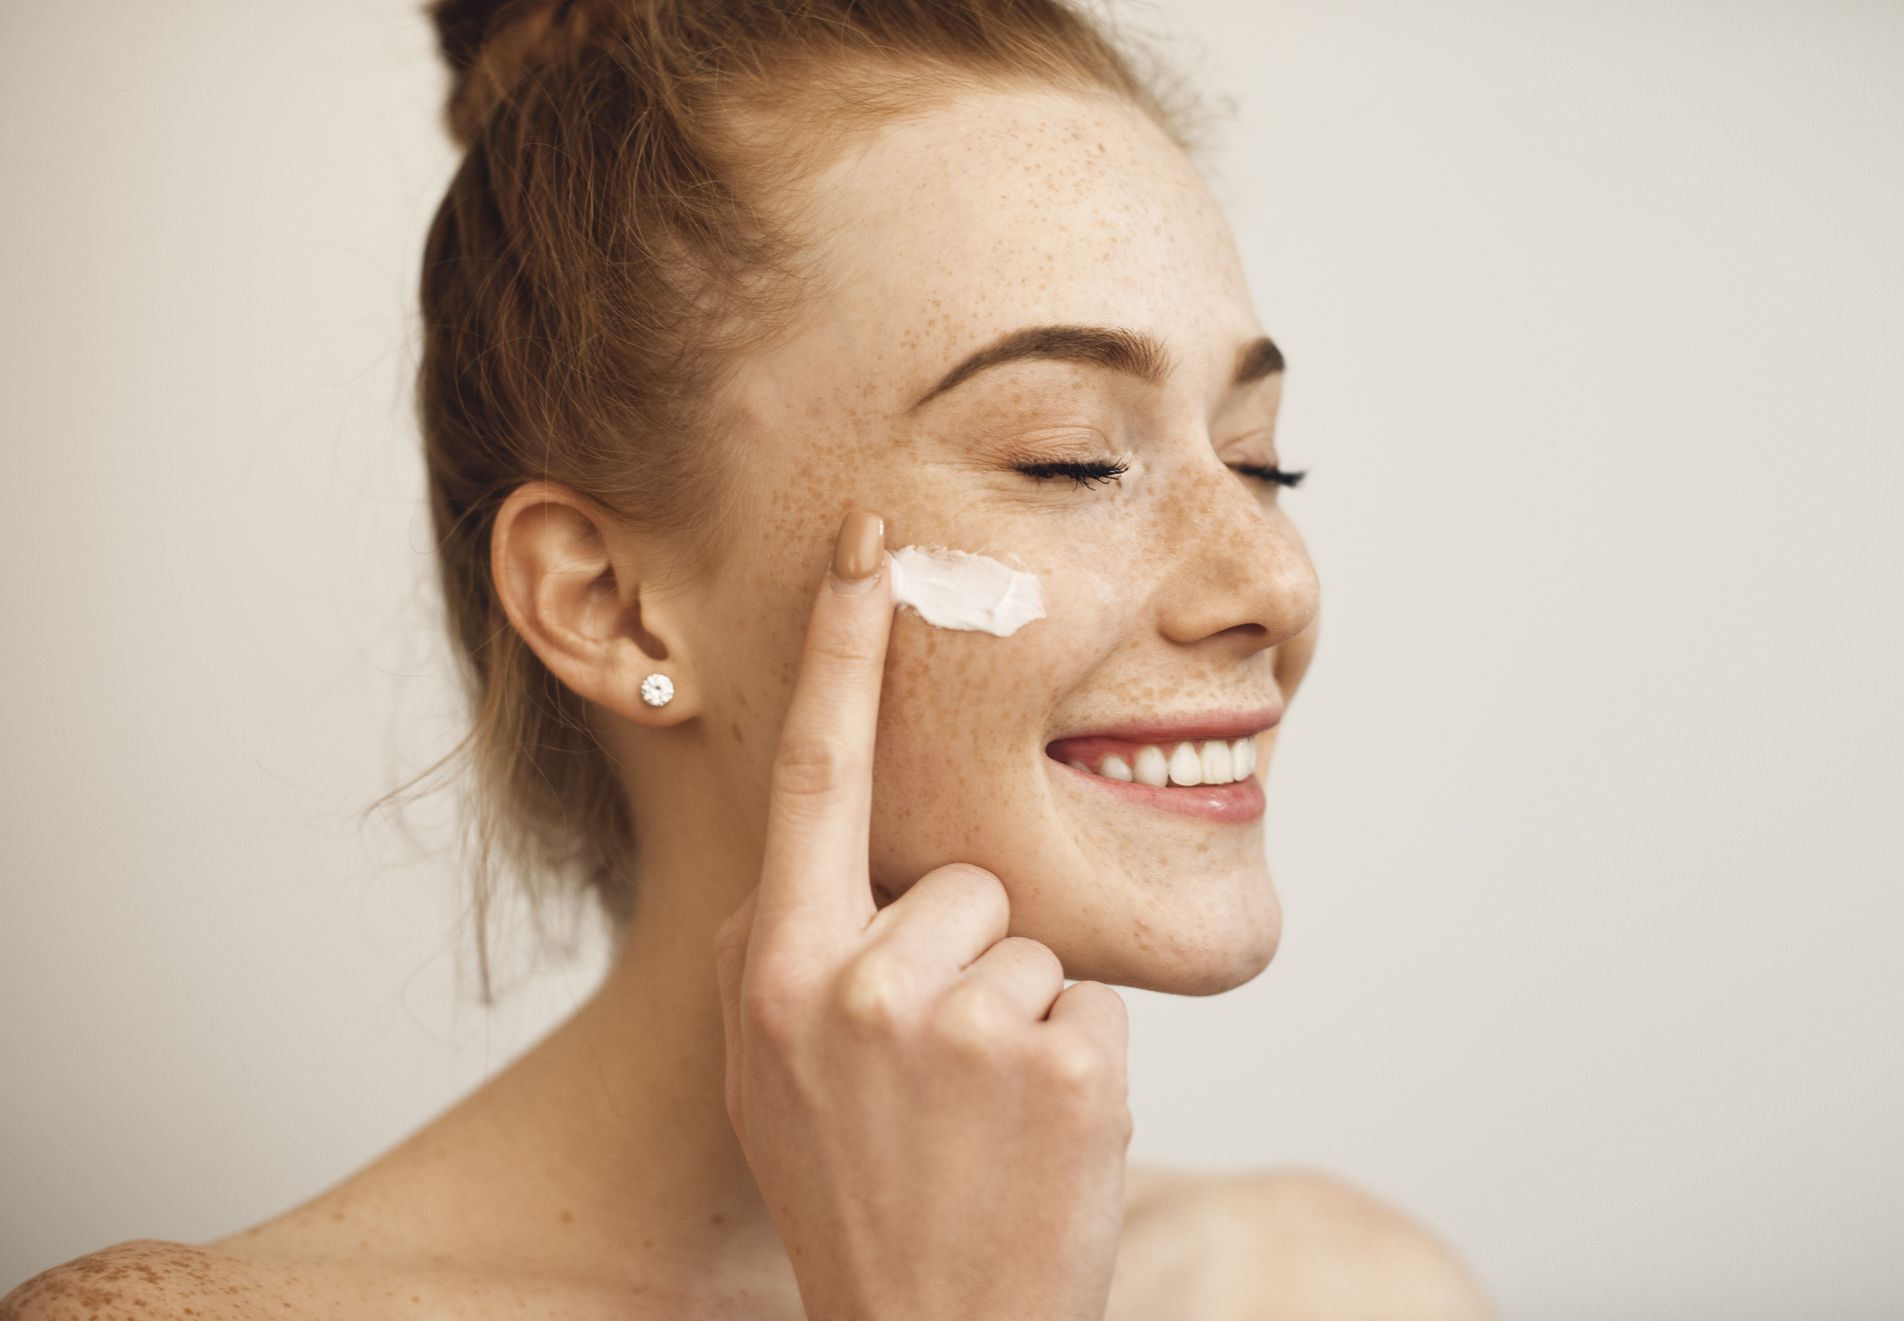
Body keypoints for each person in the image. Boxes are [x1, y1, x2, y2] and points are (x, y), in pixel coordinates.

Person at [2, 0, 1492, 1315]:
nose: (1274, 581)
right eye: (1068, 459)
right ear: (608, 604)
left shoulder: (1345, 1288)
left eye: (1257, 460)